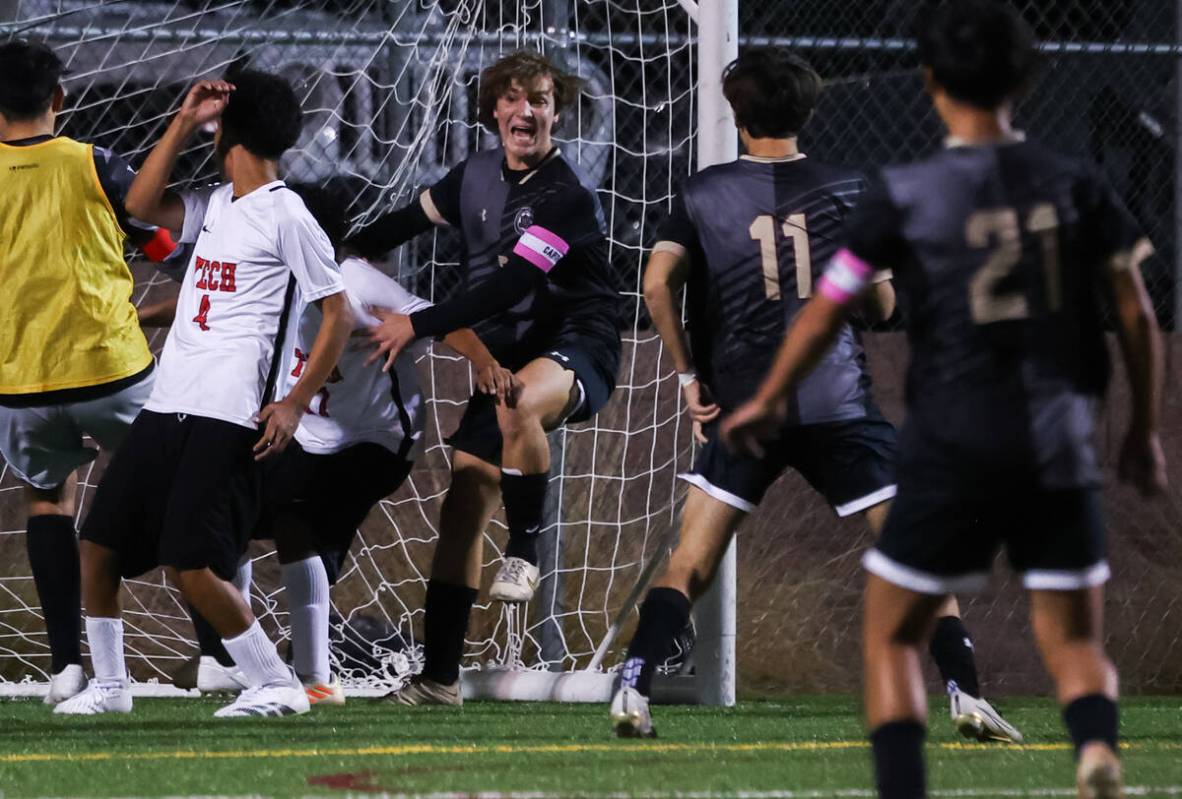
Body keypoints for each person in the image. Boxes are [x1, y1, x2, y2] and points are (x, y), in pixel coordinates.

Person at [722, 3, 1165, 797]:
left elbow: (829, 306)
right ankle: (1096, 749)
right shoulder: (1076, 184)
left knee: (892, 632)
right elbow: (1133, 306)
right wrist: (1141, 428)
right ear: (1027, 80)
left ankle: (902, 784)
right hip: (1055, 435)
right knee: (1072, 634)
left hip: (954, 435)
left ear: (927, 83)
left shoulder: (907, 188)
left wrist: (770, 395)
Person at [610, 46, 1018, 743]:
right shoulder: (853, 190)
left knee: (691, 560)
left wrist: (687, 377)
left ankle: (633, 686)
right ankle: (965, 693)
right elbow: (885, 302)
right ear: (807, 109)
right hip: (837, 404)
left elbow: (655, 285)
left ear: (736, 114)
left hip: (743, 404)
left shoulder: (702, 193)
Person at [54, 70, 353, 718]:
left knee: (192, 562)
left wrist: (294, 400)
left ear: (231, 130)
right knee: (99, 542)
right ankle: (110, 688)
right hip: (170, 405)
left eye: (214, 122)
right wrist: (183, 120)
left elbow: (339, 312)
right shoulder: (216, 204)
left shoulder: (286, 211)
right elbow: (137, 206)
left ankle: (274, 681)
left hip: (230, 415)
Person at [347, 50, 622, 704]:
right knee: (464, 501)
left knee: (522, 400)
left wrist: (416, 324)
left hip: (577, 343)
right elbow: (404, 221)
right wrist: (341, 244)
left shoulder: (566, 198)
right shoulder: (470, 175)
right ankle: (439, 676)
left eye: (543, 100)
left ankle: (525, 548)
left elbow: (510, 285)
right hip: (506, 354)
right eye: (515, 98)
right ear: (494, 108)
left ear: (558, 112)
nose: (528, 111)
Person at [178, 180, 515, 705]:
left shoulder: (354, 279)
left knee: (294, 518)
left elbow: (438, 320)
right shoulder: (273, 279)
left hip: (378, 441)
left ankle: (311, 676)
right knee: (226, 510)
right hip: (310, 436)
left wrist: (484, 361)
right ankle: (233, 662)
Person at [0, 39, 180, 705]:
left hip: (20, 380)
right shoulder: (93, 162)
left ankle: (66, 666)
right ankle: (219, 653)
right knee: (173, 493)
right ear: (58, 98)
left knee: (48, 500)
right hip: (112, 369)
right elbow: (159, 240)